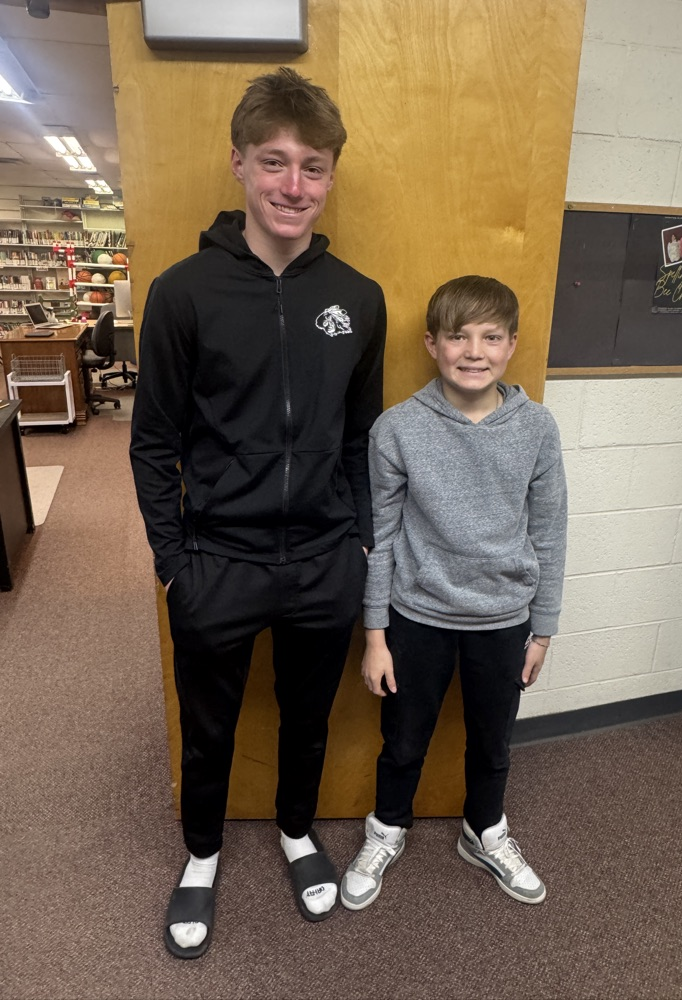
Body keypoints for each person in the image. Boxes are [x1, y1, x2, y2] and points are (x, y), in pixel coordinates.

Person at [130, 67, 386, 958]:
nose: (292, 186)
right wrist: (174, 562)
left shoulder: (357, 298)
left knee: (308, 717)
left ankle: (295, 834)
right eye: (274, 162)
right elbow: (151, 440)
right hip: (218, 563)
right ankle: (200, 858)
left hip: (323, 560)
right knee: (210, 725)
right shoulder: (182, 292)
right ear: (239, 164)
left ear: (329, 177)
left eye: (313, 167)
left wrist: (357, 546)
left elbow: (361, 439)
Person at [340, 275, 567, 912]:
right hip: (416, 620)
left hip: (503, 621)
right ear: (432, 344)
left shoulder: (537, 430)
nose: (474, 351)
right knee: (404, 739)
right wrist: (376, 637)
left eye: (490, 337)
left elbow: (549, 534)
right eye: (458, 336)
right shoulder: (397, 429)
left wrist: (541, 630)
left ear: (511, 345)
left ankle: (484, 830)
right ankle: (385, 830)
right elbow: (379, 538)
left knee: (493, 740)